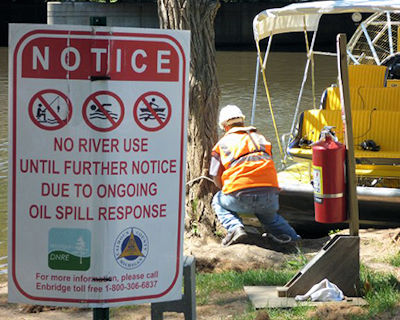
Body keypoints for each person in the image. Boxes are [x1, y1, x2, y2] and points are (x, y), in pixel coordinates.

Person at [209, 104, 300, 247]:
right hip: (269, 196)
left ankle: (235, 228)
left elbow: (214, 175)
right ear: (243, 122)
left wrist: (224, 189)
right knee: (271, 219)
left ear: (224, 127)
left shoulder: (221, 144)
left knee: (217, 200)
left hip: (239, 195)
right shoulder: (262, 139)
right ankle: (294, 239)